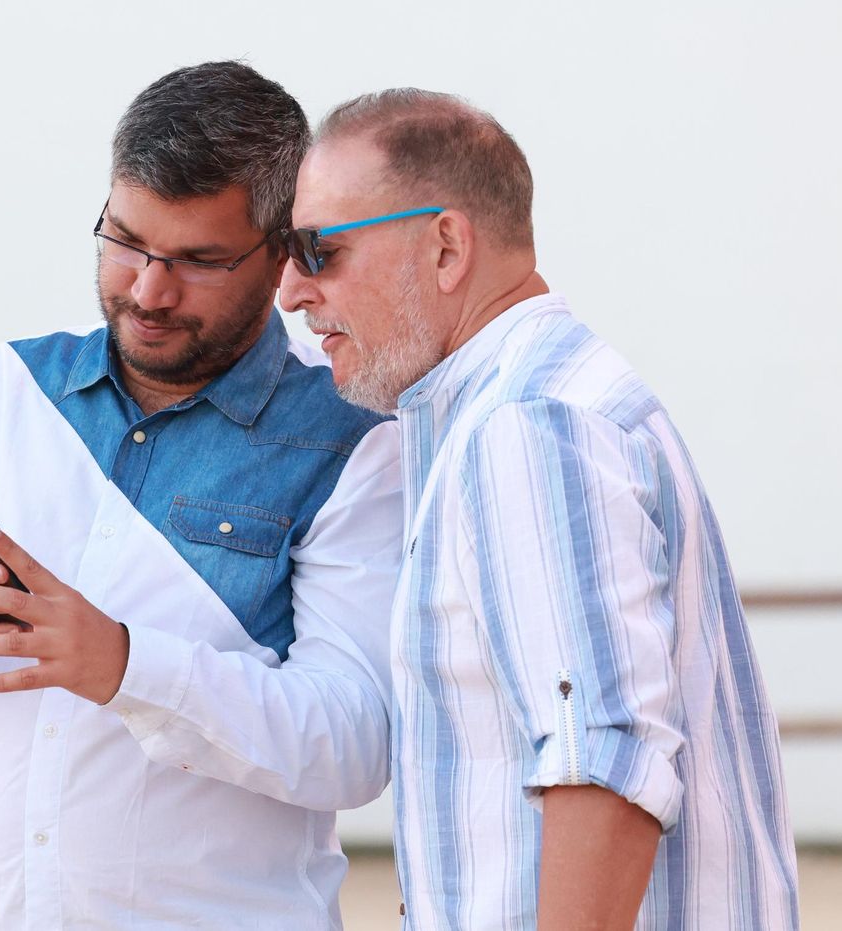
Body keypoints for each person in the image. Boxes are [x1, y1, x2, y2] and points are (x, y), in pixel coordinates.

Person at [0, 61, 402, 930]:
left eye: (198, 260)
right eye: (126, 241)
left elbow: (354, 745)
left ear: (281, 255)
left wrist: (126, 666)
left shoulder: (354, 440)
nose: (149, 290)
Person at [279, 88, 799, 930]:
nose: (290, 292)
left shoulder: (527, 425)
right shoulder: (533, 403)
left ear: (446, 245)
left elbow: (605, 758)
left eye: (317, 250)